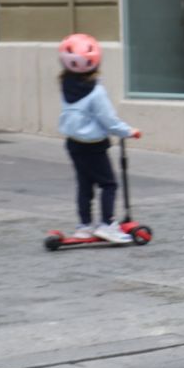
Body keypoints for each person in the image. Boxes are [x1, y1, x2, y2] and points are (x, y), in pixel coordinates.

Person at [56, 33, 141, 240]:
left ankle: (84, 225)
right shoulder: (96, 91)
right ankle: (107, 224)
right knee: (108, 184)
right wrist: (128, 131)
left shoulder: (66, 85)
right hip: (93, 145)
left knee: (85, 185)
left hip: (73, 144)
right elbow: (108, 120)